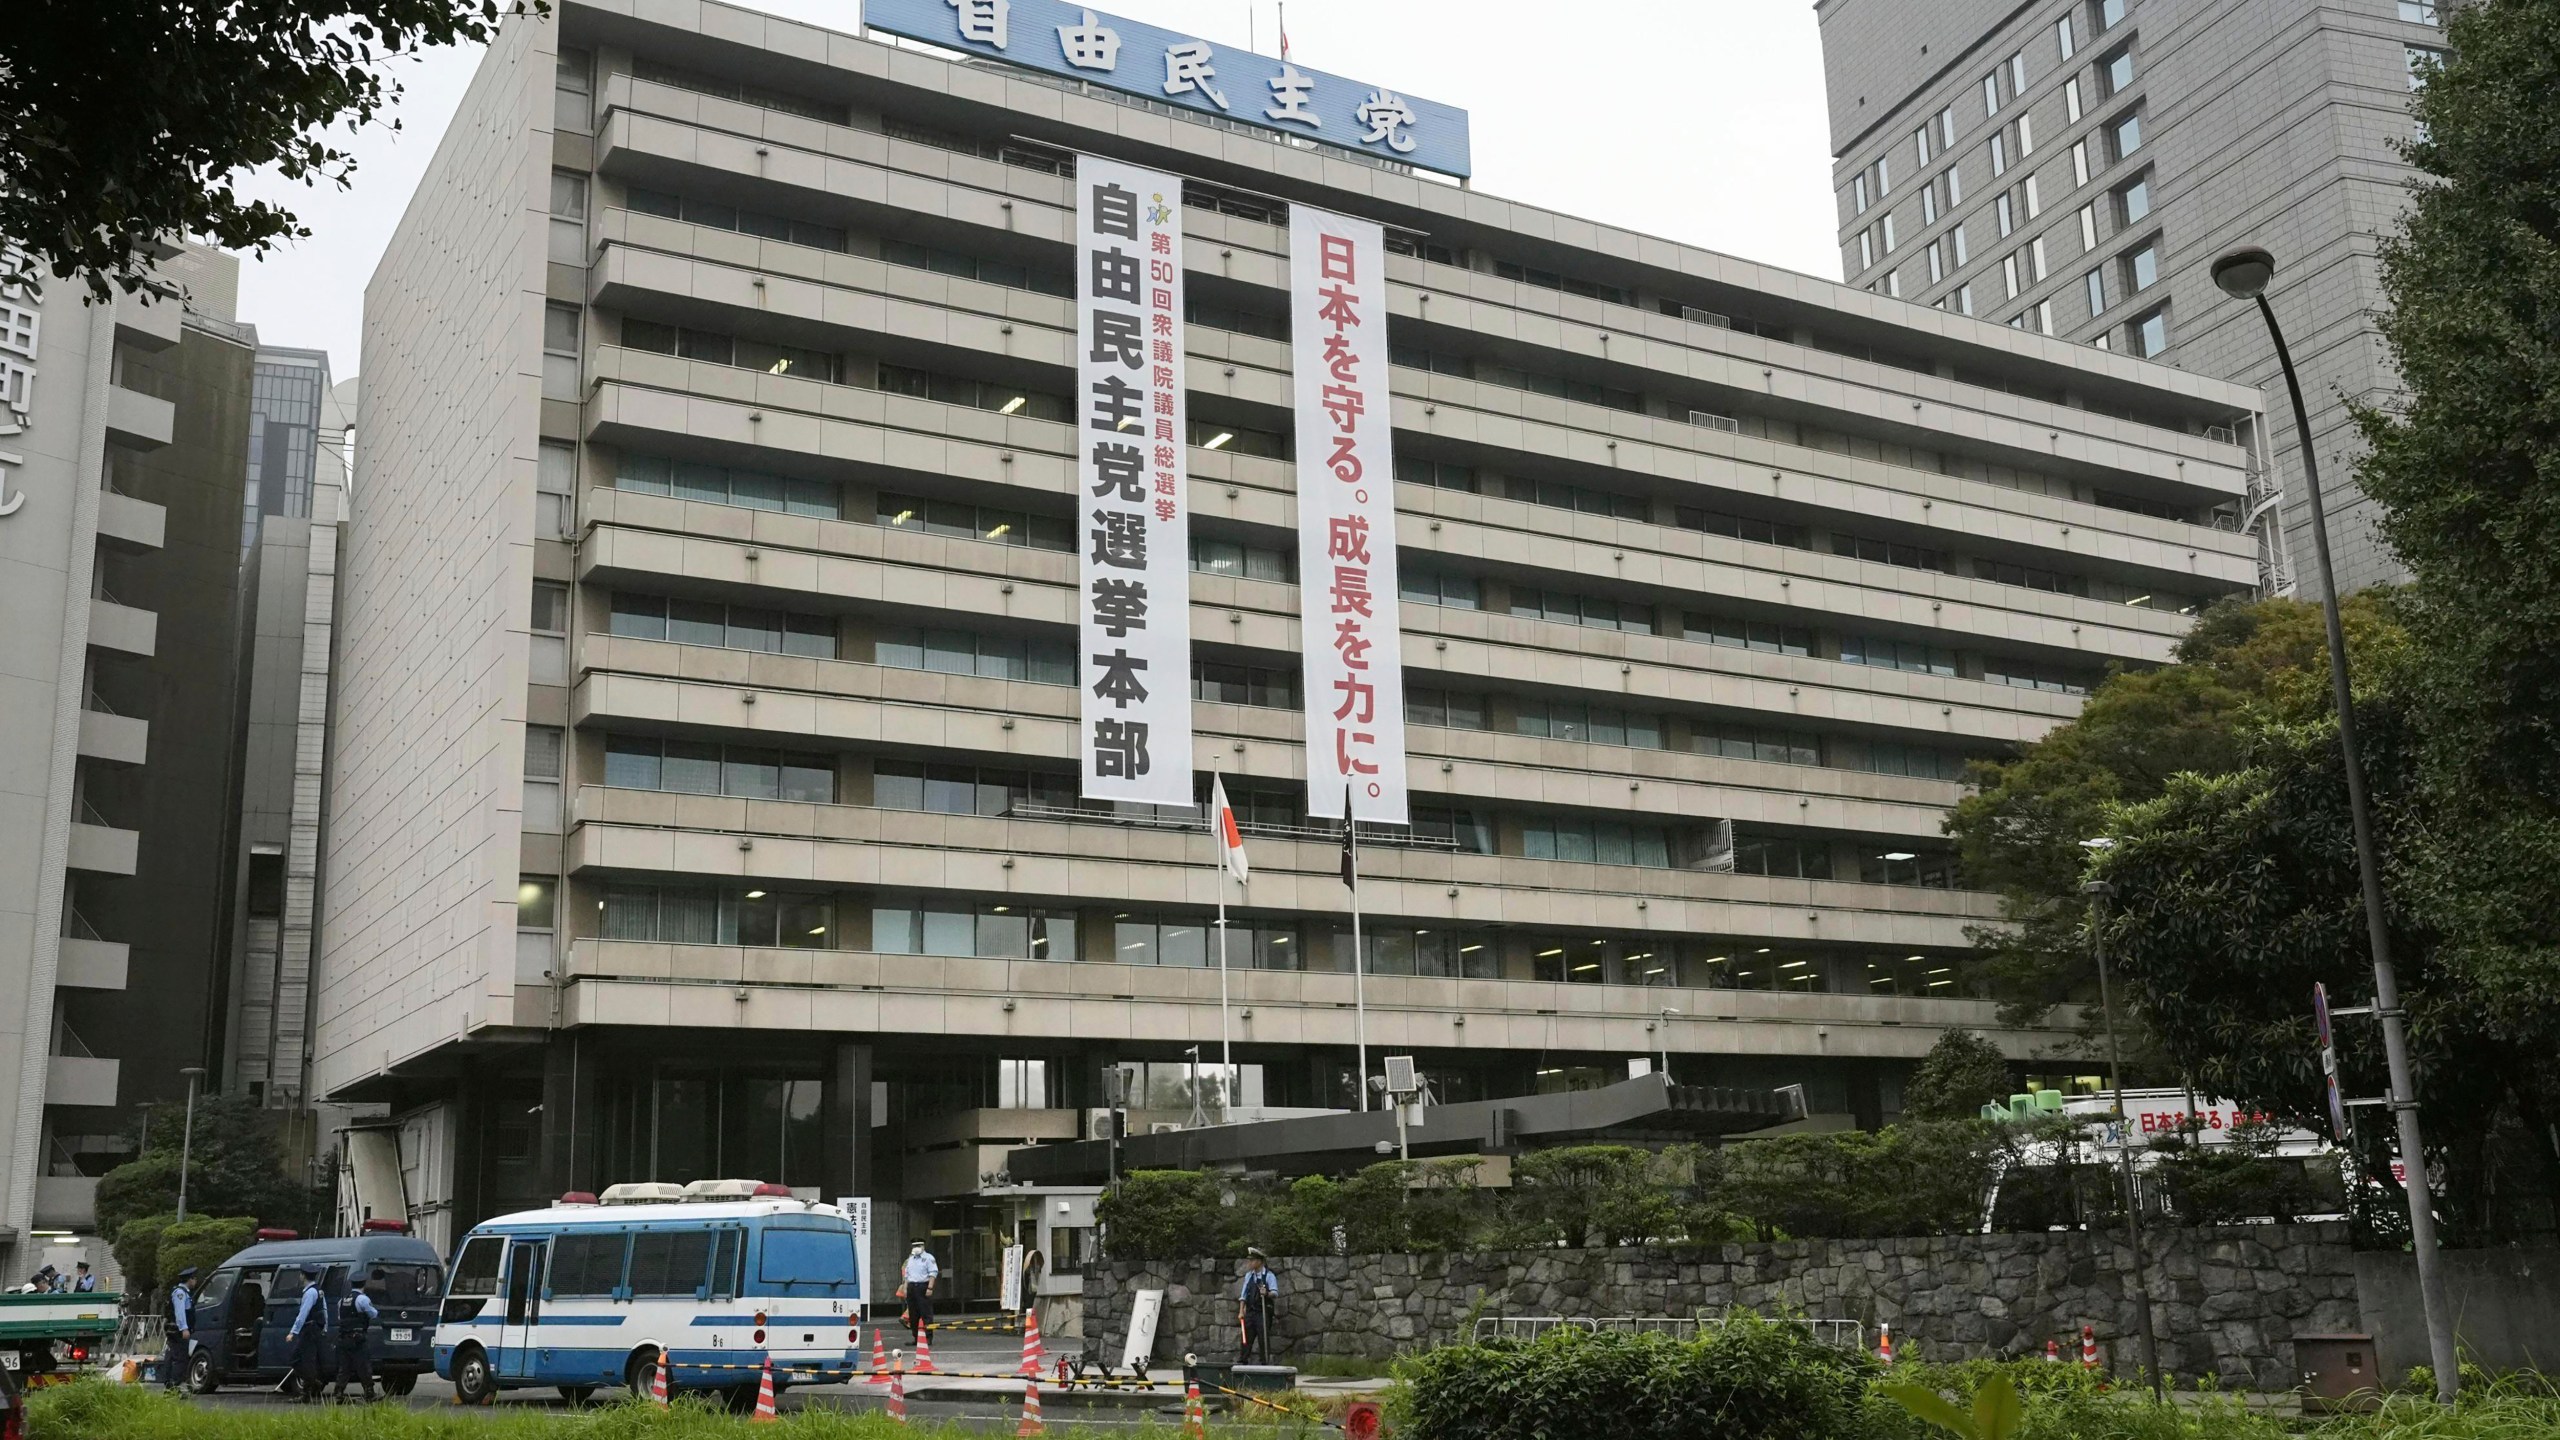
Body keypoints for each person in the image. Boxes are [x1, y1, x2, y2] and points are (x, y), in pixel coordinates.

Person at [280, 1265, 330, 1403]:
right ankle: (307, 1391)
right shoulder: (319, 1291)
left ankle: (312, 1383)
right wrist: (325, 1326)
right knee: (308, 1361)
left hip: (309, 1329)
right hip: (316, 1329)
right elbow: (324, 1309)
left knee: (297, 1359)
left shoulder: (309, 1293)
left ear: (303, 1275)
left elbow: (303, 1313)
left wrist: (293, 1332)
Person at [331, 1273, 380, 1402]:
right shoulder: (363, 1299)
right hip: (358, 1339)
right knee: (363, 1366)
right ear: (364, 1284)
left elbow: (340, 1318)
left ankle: (338, 1393)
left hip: (343, 1338)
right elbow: (373, 1314)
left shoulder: (342, 1300)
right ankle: (369, 1393)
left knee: (344, 1367)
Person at [1237, 1249, 1280, 1365]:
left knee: (1263, 1337)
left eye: (1252, 1260)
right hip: (1250, 1312)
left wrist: (1266, 1293)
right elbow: (1243, 1295)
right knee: (1246, 1337)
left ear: (1260, 1261)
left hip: (1263, 1311)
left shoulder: (1269, 1276)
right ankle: (1243, 1361)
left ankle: (1264, 1362)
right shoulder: (1248, 1276)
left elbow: (1275, 1293)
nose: (1250, 1263)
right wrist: (1241, 1311)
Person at [161, 1266, 198, 1393]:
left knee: (173, 1357)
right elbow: (180, 1312)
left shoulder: (182, 1292)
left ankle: (171, 1386)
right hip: (178, 1330)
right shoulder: (181, 1293)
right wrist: (184, 1328)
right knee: (180, 1358)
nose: (195, 1281)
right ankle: (174, 1385)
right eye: (194, 1278)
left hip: (175, 1329)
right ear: (190, 1279)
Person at [898, 1239, 938, 1344]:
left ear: (923, 1246)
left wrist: (930, 1288)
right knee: (913, 1314)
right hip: (911, 1287)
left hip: (923, 1286)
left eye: (918, 1245)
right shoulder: (911, 1259)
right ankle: (916, 1338)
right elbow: (907, 1276)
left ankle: (928, 1338)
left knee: (926, 1314)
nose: (916, 1248)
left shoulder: (928, 1258)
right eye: (914, 1246)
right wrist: (905, 1288)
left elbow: (933, 1274)